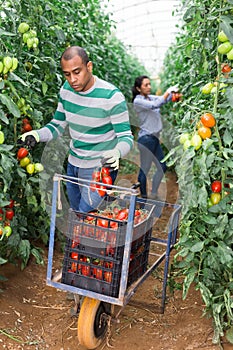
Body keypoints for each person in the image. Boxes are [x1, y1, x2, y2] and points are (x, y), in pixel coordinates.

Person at [20, 46, 134, 212]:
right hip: (73, 166)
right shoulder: (66, 91)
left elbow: (126, 137)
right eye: (67, 74)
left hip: (99, 170)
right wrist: (36, 135)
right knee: (77, 217)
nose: (72, 79)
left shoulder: (111, 97)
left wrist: (116, 153)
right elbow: (57, 125)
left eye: (77, 72)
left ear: (89, 67)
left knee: (87, 219)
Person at [132, 75, 178, 200]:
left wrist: (174, 93)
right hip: (146, 140)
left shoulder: (150, 97)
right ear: (138, 88)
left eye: (149, 84)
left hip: (154, 139)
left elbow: (164, 99)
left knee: (162, 166)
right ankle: (144, 196)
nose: (149, 87)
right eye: (145, 85)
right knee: (145, 168)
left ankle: (153, 192)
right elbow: (155, 105)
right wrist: (168, 90)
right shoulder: (138, 101)